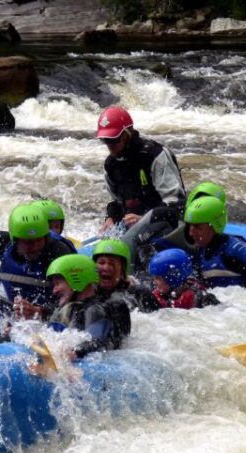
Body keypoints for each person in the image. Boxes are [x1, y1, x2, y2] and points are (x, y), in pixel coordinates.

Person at [95, 106, 186, 247]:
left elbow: (176, 203)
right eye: (105, 140)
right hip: (133, 226)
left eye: (113, 139)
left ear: (127, 135)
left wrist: (144, 220)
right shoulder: (111, 165)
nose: (109, 146)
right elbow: (117, 202)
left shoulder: (155, 156)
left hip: (166, 225)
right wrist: (110, 218)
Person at [45, 254, 131, 360]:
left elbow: (96, 342)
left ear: (76, 280)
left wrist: (73, 353)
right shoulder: (74, 308)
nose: (54, 290)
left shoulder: (95, 310)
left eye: (57, 283)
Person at [92, 238, 161, 314]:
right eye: (101, 263)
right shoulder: (89, 295)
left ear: (123, 269)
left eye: (112, 263)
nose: (106, 267)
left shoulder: (140, 294)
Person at [148, 248, 219, 310]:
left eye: (158, 278)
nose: (154, 282)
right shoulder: (158, 296)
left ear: (172, 278)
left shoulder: (200, 299)